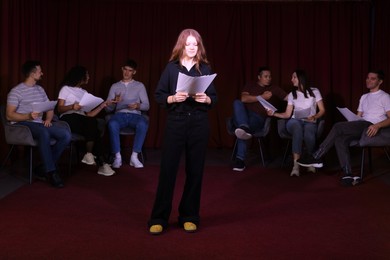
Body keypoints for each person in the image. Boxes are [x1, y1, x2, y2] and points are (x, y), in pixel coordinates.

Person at [148, 28, 217, 235]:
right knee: (168, 170)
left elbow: (214, 98)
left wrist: (207, 99)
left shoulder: (204, 68)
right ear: (182, 46)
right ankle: (159, 217)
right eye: (188, 44)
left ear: (199, 46)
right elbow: (159, 94)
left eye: (195, 44)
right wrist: (172, 98)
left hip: (198, 123)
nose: (192, 47)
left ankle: (189, 216)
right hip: (176, 122)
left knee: (195, 171)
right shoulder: (171, 68)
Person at [297, 70, 390, 186]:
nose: (368, 80)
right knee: (340, 138)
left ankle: (317, 156)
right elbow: (358, 117)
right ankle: (347, 174)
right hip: (360, 125)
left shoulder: (385, 97)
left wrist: (377, 125)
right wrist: (351, 120)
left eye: (373, 78)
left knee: (337, 126)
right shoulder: (364, 97)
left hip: (371, 126)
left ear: (380, 81)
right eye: (367, 78)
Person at [6, 60, 71, 188]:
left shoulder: (40, 89)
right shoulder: (16, 91)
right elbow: (9, 115)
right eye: (40, 71)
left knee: (65, 134)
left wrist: (48, 119)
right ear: (33, 73)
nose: (42, 73)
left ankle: (44, 166)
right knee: (43, 132)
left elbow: (50, 108)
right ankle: (51, 172)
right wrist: (28, 116)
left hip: (39, 123)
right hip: (23, 124)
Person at [57, 66, 115, 177]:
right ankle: (102, 163)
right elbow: (59, 109)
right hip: (68, 117)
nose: (88, 77)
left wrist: (102, 106)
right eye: (87, 75)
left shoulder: (84, 92)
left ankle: (89, 154)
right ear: (80, 77)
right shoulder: (66, 89)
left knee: (92, 122)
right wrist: (72, 106)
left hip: (83, 119)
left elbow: (89, 114)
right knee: (94, 128)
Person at [267, 70, 325, 177]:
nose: (291, 79)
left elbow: (322, 110)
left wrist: (314, 117)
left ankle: (310, 160)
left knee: (309, 133)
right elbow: (287, 114)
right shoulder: (291, 94)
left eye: (294, 77)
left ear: (300, 78)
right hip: (294, 121)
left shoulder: (314, 91)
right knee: (297, 128)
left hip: (309, 121)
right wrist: (274, 114)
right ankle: (296, 165)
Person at [232, 66, 287, 171]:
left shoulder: (274, 88)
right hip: (243, 115)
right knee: (237, 102)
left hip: (258, 118)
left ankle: (240, 160)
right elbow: (243, 98)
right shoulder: (250, 85)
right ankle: (244, 126)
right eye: (266, 76)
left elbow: (289, 98)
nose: (269, 78)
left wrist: (304, 94)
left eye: (270, 76)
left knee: (242, 129)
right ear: (259, 77)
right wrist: (262, 97)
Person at [105, 59, 150, 169]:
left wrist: (137, 106)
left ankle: (134, 156)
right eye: (125, 69)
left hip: (135, 115)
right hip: (119, 115)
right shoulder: (115, 86)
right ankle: (117, 156)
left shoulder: (140, 86)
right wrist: (114, 102)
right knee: (112, 124)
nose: (126, 73)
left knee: (143, 124)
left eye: (130, 71)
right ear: (122, 69)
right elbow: (108, 109)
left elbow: (147, 105)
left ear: (134, 72)